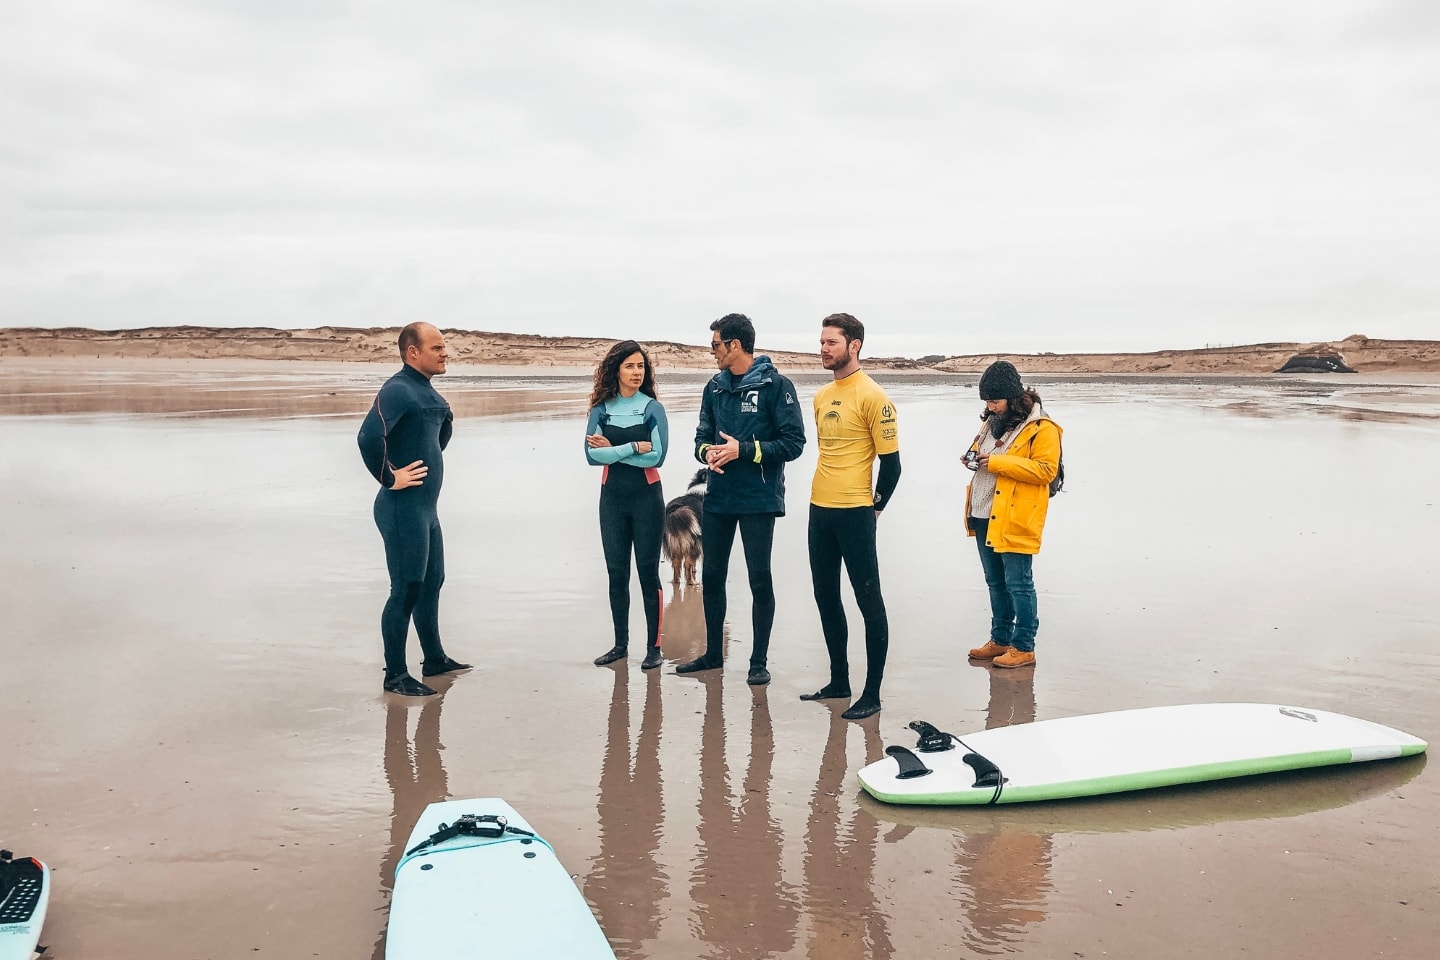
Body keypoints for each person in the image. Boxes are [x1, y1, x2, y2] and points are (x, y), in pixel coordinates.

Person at [675, 314, 806, 685]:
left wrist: (743, 451)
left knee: (759, 579)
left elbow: (793, 443)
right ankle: (713, 655)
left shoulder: (777, 386)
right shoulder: (713, 388)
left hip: (759, 499)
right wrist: (708, 454)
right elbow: (701, 437)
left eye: (715, 344)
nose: (712, 352)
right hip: (718, 498)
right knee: (712, 578)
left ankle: (758, 662)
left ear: (735, 345)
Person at [357, 322, 471, 697]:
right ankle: (395, 675)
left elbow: (438, 437)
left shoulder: (425, 391)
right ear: (413, 353)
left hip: (425, 509)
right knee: (405, 588)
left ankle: (434, 658)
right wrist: (389, 478)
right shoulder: (398, 389)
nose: (445, 353)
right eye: (437, 348)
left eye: (444, 347)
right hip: (401, 508)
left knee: (431, 583)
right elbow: (369, 436)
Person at [800, 313, 900, 720]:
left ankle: (871, 693)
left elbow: (892, 467)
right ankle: (839, 681)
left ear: (854, 345)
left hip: (856, 512)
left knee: (867, 601)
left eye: (831, 343)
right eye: (822, 342)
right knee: (825, 596)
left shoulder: (875, 397)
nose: (823, 349)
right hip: (819, 508)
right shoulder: (822, 396)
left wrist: (874, 507)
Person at [963, 360, 1062, 669]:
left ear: (1013, 397)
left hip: (1016, 516)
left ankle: (1024, 646)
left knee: (1019, 583)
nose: (990, 406)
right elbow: (986, 456)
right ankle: (1000, 639)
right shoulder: (992, 423)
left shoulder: (1041, 428)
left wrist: (995, 463)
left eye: (995, 400)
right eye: (987, 401)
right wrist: (971, 458)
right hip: (983, 512)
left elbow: (1046, 470)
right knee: (995, 582)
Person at [584, 341, 670, 670]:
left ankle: (654, 647)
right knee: (616, 574)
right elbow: (592, 456)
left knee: (648, 573)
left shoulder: (652, 408)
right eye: (630, 366)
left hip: (647, 497)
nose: (637, 373)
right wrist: (633, 445)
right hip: (612, 499)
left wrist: (614, 448)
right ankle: (620, 645)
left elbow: (658, 456)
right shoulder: (601, 409)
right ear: (616, 369)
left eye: (641, 367)